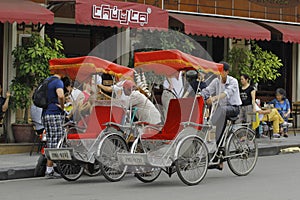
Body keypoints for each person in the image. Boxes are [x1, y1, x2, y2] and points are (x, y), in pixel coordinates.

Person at [201, 62, 242, 170]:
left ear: (227, 72)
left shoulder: (233, 81)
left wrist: (214, 98)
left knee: (219, 113)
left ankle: (211, 124)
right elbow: (207, 91)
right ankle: (218, 160)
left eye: (222, 71)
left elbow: (226, 93)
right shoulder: (216, 81)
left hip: (233, 108)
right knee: (218, 134)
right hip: (221, 111)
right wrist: (200, 96)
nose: (219, 73)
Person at [42, 74, 65, 178]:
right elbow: (60, 95)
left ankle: (49, 168)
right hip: (54, 114)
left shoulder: (46, 81)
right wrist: (62, 106)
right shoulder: (58, 82)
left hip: (45, 114)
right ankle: (50, 170)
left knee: (51, 141)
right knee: (57, 141)